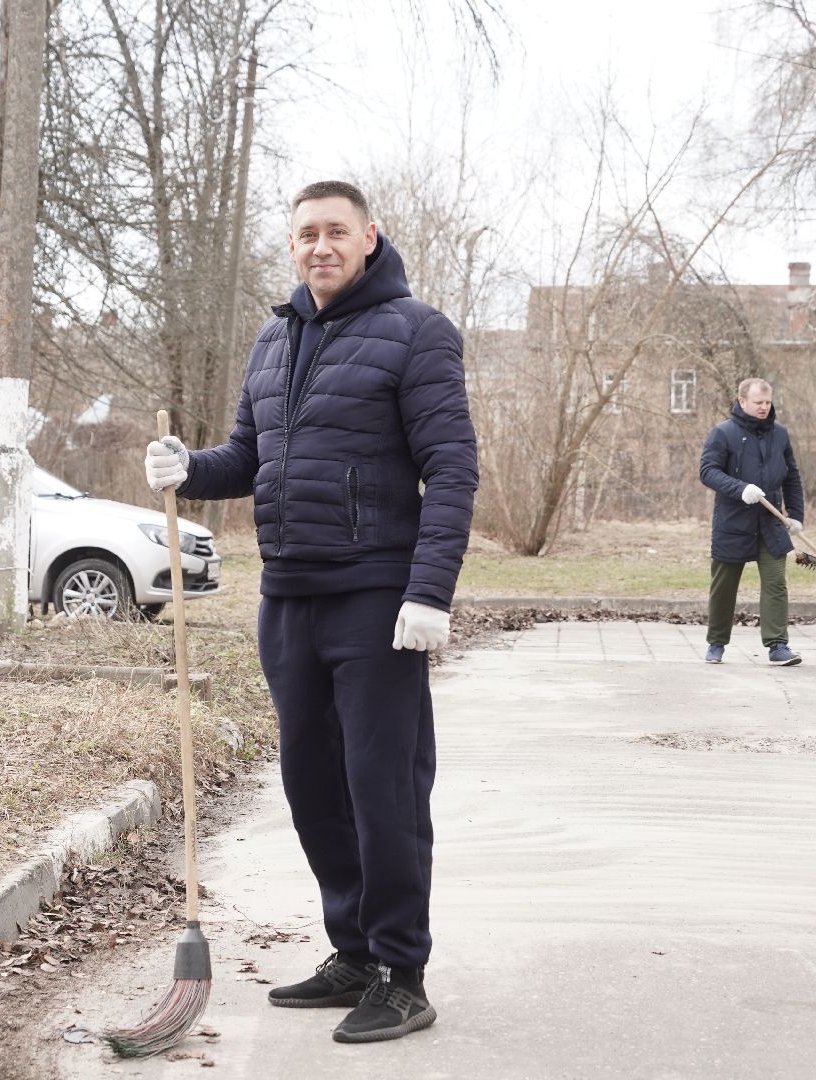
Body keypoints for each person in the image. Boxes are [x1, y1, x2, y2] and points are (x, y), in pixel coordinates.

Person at [142, 180, 477, 1044]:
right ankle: (354, 951)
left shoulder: (418, 333)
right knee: (312, 787)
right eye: (305, 235)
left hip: (376, 601)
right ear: (290, 246)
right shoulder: (274, 336)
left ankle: (403, 971)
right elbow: (250, 459)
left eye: (336, 232)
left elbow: (452, 471)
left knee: (383, 789)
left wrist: (428, 591)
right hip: (288, 597)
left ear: (369, 237)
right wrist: (186, 468)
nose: (319, 246)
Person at [698, 377, 806, 666]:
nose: (763, 407)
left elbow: (792, 476)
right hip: (733, 523)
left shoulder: (780, 434)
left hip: (770, 523)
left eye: (767, 402)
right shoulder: (723, 433)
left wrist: (795, 515)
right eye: (758, 402)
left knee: (775, 583)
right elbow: (708, 471)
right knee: (723, 586)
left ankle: (777, 645)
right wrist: (740, 488)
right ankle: (716, 643)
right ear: (742, 401)